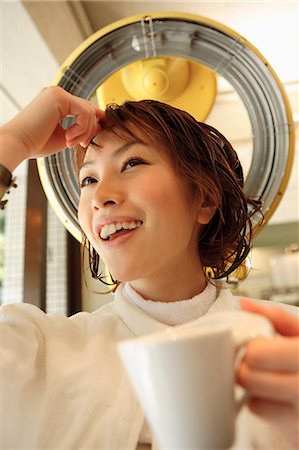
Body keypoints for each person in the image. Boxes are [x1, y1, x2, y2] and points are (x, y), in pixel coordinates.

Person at [0, 86, 298, 450]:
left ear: (203, 199)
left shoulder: (286, 347)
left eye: (132, 163)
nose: (101, 197)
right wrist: (12, 140)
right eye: (88, 180)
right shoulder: (35, 352)